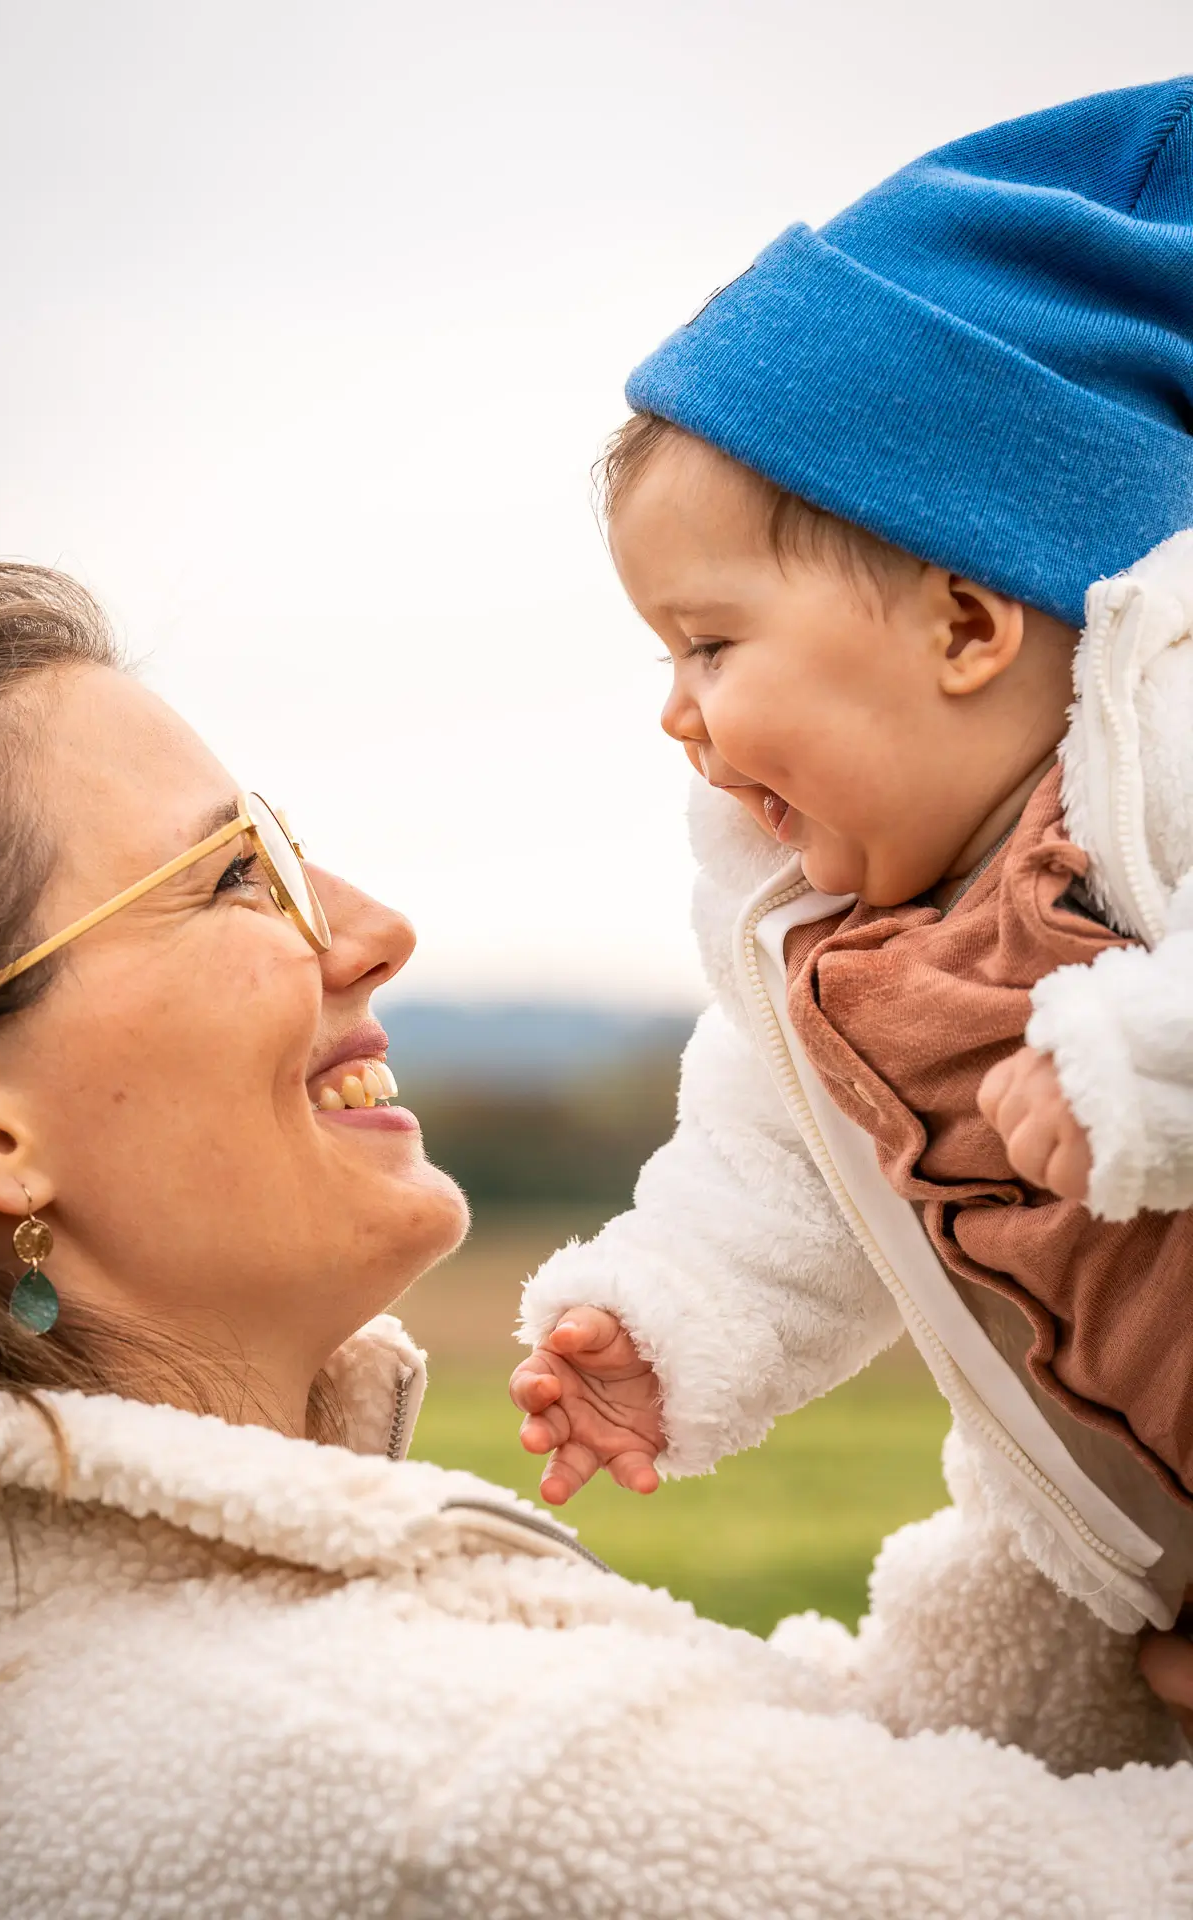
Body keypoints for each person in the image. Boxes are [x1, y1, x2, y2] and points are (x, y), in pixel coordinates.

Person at [0, 560, 1191, 1919]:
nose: (377, 931)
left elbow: (862, 1779)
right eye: (235, 874)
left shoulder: (161, 1682)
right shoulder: (409, 1784)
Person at [512, 76, 1193, 1663]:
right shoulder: (827, 947)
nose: (674, 712)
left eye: (710, 641)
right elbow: (773, 1176)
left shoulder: (1164, 779)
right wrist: (669, 1316)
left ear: (966, 624)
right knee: (954, 1694)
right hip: (1115, 1544)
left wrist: (1154, 1068)